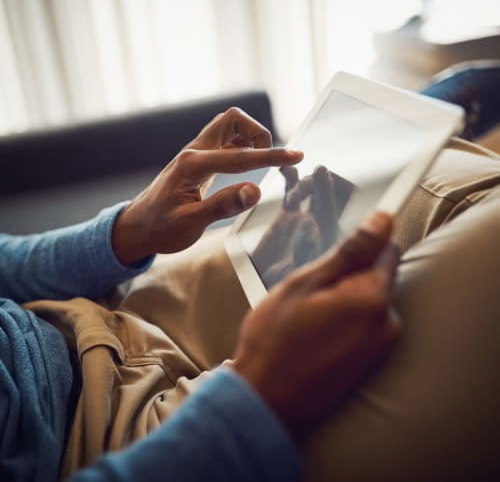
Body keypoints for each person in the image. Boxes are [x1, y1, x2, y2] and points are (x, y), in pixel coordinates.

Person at [0, 107, 400, 482]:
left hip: (75, 318)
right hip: (98, 440)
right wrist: (255, 401)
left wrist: (126, 233)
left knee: (391, 180)